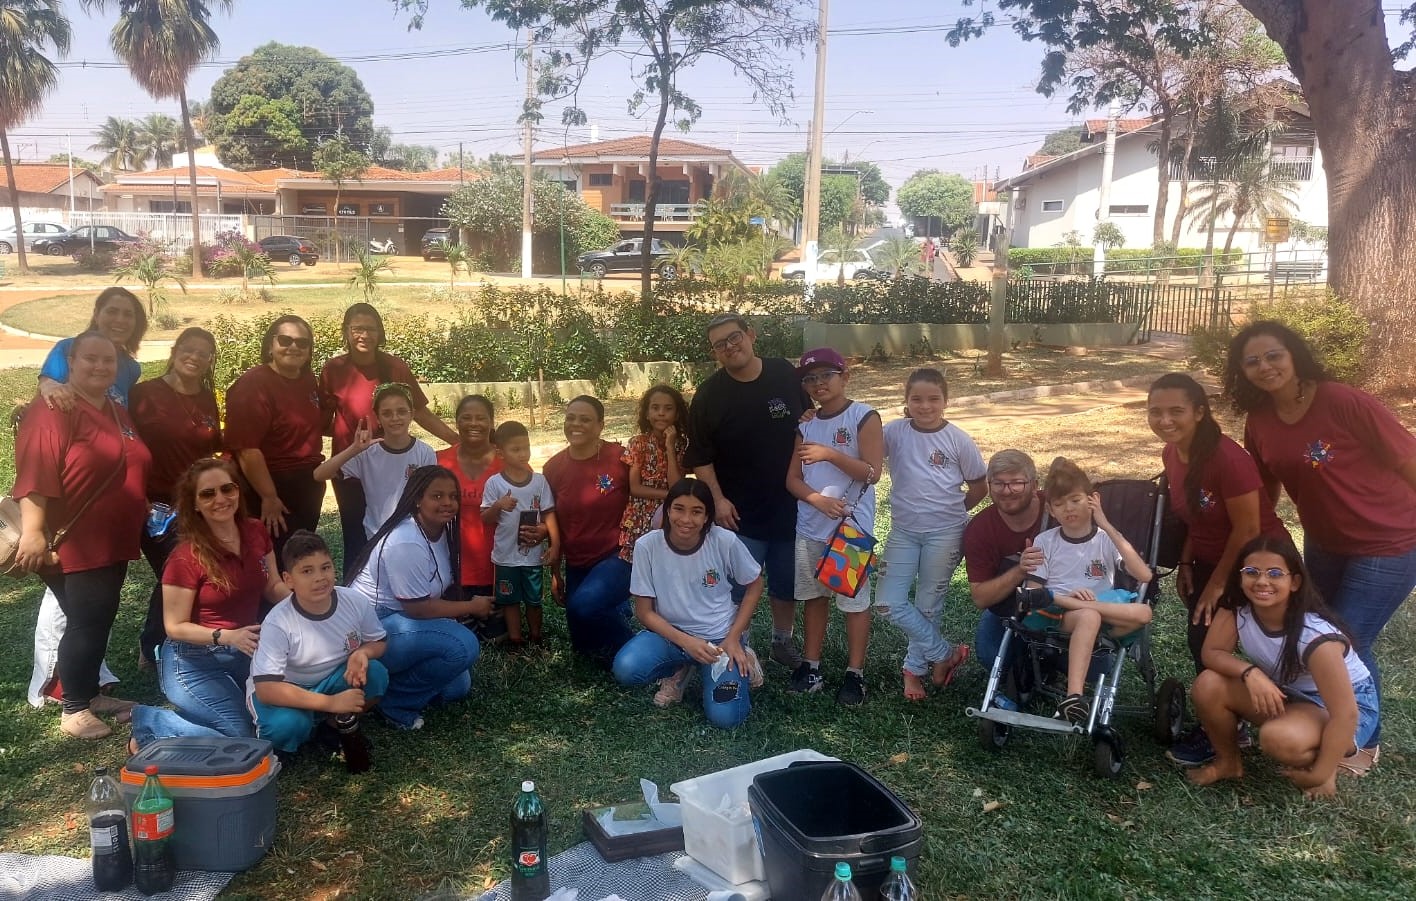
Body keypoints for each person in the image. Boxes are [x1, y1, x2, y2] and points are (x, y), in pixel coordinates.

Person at [1224, 320, 1416, 774]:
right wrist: (1263, 543)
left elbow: (1407, 458)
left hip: (1388, 540)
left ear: (1294, 355)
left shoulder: (1342, 401)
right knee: (1313, 629)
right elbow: (1266, 483)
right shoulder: (1260, 419)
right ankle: (1311, 717)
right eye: (1251, 361)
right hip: (1325, 543)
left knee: (1347, 636)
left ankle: (1362, 741)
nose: (1264, 366)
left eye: (1274, 355)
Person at [13, 332, 152, 739]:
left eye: (107, 361)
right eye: (89, 359)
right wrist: (34, 532)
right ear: (70, 362)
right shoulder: (54, 408)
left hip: (112, 538)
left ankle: (89, 693)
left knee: (97, 617)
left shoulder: (113, 408)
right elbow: (36, 473)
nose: (99, 367)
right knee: (87, 621)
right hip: (73, 539)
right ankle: (74, 708)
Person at [1147, 372, 1290, 767]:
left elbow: (1247, 528)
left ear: (1200, 411)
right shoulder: (1172, 454)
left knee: (1259, 643)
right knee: (1203, 642)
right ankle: (1225, 723)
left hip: (1260, 560)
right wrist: (1189, 561)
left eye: (1176, 411)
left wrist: (1217, 585)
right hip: (1212, 558)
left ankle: (1277, 720)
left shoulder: (1227, 458)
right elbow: (1196, 517)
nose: (1165, 420)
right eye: (1155, 411)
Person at [1185, 537, 1379, 798]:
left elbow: (1345, 714)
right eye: (1251, 572)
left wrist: (1321, 774)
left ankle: (1328, 762)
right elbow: (1212, 653)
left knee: (1279, 740)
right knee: (1208, 684)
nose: (1262, 581)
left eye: (1275, 573)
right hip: (1290, 693)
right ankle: (1228, 763)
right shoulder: (1238, 610)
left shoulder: (1316, 637)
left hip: (1347, 706)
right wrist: (1250, 673)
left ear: (1295, 582)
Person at [129, 458, 287, 750]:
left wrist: (306, 596)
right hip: (191, 661)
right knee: (247, 740)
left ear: (238, 492)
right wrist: (226, 636)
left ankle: (195, 719)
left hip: (245, 651)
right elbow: (174, 627)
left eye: (227, 489)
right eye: (207, 494)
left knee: (270, 721)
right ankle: (151, 724)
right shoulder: (185, 557)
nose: (220, 499)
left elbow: (272, 586)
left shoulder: (255, 531)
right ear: (195, 505)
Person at [685, 313, 810, 672]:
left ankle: (781, 642)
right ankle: (741, 647)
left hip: (792, 505)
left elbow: (810, 418)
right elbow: (700, 456)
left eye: (734, 337)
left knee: (787, 582)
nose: (729, 347)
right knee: (740, 586)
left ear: (751, 335)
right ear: (714, 353)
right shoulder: (709, 395)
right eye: (719, 344)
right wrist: (718, 500)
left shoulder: (785, 373)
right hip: (739, 512)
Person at [612, 478, 764, 729]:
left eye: (697, 511)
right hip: (671, 638)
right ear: (668, 510)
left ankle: (742, 656)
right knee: (627, 668)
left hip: (720, 640)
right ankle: (680, 667)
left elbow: (755, 583)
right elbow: (644, 612)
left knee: (726, 719)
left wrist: (733, 637)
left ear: (707, 517)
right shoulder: (647, 546)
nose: (686, 519)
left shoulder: (723, 541)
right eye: (679, 509)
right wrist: (687, 643)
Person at [347, 466, 489, 730]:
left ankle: (389, 684)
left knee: (458, 686)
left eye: (452, 496)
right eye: (436, 496)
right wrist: (472, 606)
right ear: (417, 499)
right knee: (464, 645)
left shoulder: (439, 531)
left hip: (399, 622)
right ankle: (393, 702)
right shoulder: (406, 541)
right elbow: (418, 610)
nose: (447, 503)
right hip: (371, 630)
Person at [319, 303, 458, 574]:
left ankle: (409, 580)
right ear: (346, 332)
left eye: (370, 329)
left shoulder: (395, 367)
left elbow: (419, 411)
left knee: (402, 523)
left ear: (380, 332)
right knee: (356, 531)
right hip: (351, 467)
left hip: (392, 463)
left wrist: (455, 439)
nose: (364, 335)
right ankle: (358, 591)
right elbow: (321, 421)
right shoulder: (333, 370)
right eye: (357, 329)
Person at [1018, 457, 1154, 724]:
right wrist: (1067, 600)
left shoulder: (1105, 540)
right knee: (1089, 616)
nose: (1068, 508)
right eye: (1059, 504)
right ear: (1051, 510)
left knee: (1143, 612)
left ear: (1092, 500)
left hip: (1101, 614)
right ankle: (1074, 697)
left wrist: (1106, 524)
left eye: (1075, 500)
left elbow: (1144, 575)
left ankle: (1081, 608)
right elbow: (1033, 592)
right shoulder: (1046, 541)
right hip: (1057, 614)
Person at [875, 368, 983, 701]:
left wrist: (951, 513)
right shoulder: (893, 432)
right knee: (886, 604)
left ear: (945, 401)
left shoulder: (958, 439)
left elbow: (979, 486)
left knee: (927, 607)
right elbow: (861, 444)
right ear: (906, 402)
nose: (925, 406)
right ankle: (945, 654)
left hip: (946, 533)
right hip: (904, 532)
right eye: (917, 399)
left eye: (933, 399)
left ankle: (913, 674)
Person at [784, 348, 882, 705]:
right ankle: (811, 665)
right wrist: (815, 500)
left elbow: (873, 473)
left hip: (850, 530)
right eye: (810, 378)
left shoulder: (863, 416)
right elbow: (793, 480)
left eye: (826, 375)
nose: (818, 383)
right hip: (810, 525)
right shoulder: (805, 423)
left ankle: (855, 674)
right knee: (813, 596)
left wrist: (830, 454)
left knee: (853, 601)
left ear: (845, 376)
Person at [249, 531, 389, 764]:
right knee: (287, 727)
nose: (319, 577)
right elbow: (266, 689)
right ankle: (308, 725)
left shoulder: (354, 601)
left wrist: (363, 652)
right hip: (287, 688)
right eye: (307, 571)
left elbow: (379, 641)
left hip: (331, 679)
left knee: (376, 674)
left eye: (325, 567)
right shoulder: (278, 622)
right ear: (288, 580)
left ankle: (332, 726)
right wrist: (331, 703)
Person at [129, 327, 224, 668]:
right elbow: (128, 448)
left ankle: (174, 640)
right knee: (177, 568)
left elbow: (212, 448)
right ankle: (152, 646)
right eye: (189, 348)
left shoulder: (206, 397)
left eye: (204, 352)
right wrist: (138, 498)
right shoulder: (143, 394)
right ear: (175, 349)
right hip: (155, 505)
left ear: (210, 360)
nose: (195, 357)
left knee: (187, 569)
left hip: (197, 504)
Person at [225, 315, 330, 567]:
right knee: (271, 562)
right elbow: (248, 450)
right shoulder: (253, 385)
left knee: (297, 558)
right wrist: (269, 497)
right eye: (285, 340)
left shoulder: (306, 380)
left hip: (307, 484)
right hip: (270, 489)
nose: (294, 347)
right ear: (270, 345)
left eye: (302, 343)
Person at [543, 396, 632, 663]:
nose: (575, 424)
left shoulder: (620, 457)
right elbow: (552, 521)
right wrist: (556, 573)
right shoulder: (553, 467)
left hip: (617, 555)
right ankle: (616, 608)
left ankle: (642, 649)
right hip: (578, 563)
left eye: (585, 419)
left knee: (584, 606)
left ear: (601, 425)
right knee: (585, 646)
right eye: (570, 417)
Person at [315, 382, 436, 540]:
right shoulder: (367, 453)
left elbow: (430, 497)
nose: (395, 418)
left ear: (411, 414)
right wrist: (354, 449)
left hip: (414, 536)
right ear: (377, 417)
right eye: (386, 413)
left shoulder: (424, 452)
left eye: (401, 411)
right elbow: (319, 474)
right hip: (376, 537)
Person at [963, 449, 1045, 680]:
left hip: (1062, 602)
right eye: (998, 484)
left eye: (1017, 483)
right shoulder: (980, 528)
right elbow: (980, 597)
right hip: (1010, 608)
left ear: (1034, 484)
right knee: (990, 655)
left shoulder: (1058, 508)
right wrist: (1020, 568)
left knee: (1097, 666)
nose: (1007, 491)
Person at [483, 422, 560, 647]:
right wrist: (499, 505)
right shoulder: (494, 483)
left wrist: (554, 545)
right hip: (505, 557)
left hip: (532, 556)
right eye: (515, 449)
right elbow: (485, 518)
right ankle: (516, 640)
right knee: (510, 601)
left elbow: (549, 514)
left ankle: (536, 637)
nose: (522, 453)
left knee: (534, 601)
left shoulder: (539, 481)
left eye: (526, 447)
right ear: (501, 453)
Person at [436, 395, 504, 635]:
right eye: (466, 418)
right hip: (451, 570)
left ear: (492, 423)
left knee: (496, 634)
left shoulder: (509, 462)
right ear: (456, 423)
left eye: (480, 418)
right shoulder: (439, 461)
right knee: (459, 633)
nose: (473, 423)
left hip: (497, 568)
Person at [36, 286, 146, 410]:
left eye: (128, 314)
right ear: (96, 315)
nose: (120, 320)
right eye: (112, 312)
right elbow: (47, 388)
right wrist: (48, 386)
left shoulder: (131, 369)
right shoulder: (67, 349)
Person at [619, 384, 688, 563]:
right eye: (655, 408)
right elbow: (635, 488)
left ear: (677, 414)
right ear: (647, 414)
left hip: (670, 514)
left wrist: (670, 447)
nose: (661, 413)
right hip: (640, 514)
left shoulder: (682, 445)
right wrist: (671, 496)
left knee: (669, 562)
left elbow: (676, 486)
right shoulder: (638, 443)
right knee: (641, 565)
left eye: (668, 408)